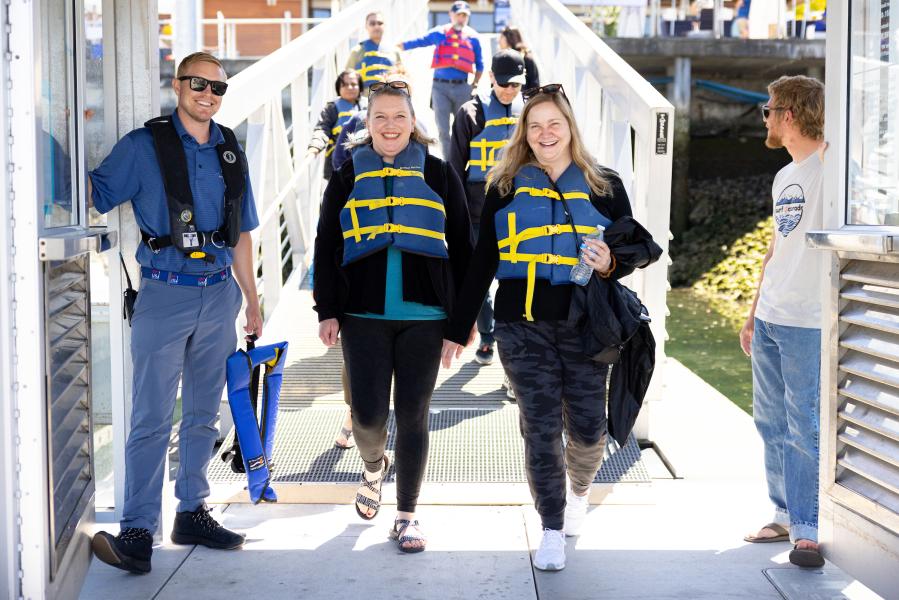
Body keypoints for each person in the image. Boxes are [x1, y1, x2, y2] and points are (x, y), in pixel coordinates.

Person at [444, 84, 638, 571]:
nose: (545, 133)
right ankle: (551, 527)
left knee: (590, 431)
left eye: (554, 124)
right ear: (524, 134)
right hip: (520, 326)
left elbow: (631, 251)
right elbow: (481, 262)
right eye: (535, 126)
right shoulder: (503, 186)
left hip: (587, 326)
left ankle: (580, 492)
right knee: (541, 428)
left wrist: (612, 260)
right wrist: (459, 326)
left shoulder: (605, 185)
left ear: (570, 128)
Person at [88, 51, 261, 574]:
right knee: (151, 417)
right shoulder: (144, 147)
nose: (208, 94)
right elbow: (93, 194)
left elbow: (243, 231)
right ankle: (138, 529)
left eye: (217, 88)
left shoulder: (230, 147)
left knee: (204, 414)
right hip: (163, 293)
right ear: (177, 84)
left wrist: (251, 299)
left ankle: (192, 510)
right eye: (198, 83)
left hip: (219, 293)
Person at [313, 80, 473, 553]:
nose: (389, 125)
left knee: (413, 413)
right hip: (362, 313)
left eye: (398, 116)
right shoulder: (345, 175)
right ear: (367, 121)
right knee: (366, 415)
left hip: (426, 316)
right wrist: (327, 309)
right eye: (380, 116)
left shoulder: (441, 174)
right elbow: (326, 244)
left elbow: (464, 249)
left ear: (413, 121)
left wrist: (460, 324)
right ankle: (372, 466)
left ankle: (407, 515)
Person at [740, 75, 826, 569]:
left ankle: (808, 530)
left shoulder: (830, 168)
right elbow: (776, 249)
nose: (766, 117)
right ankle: (783, 512)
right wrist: (752, 315)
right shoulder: (784, 175)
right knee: (769, 421)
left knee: (803, 425)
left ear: (789, 114)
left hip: (808, 321)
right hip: (772, 316)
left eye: (769, 109)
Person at [449, 49, 525, 367]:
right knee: (477, 279)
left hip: (520, 211)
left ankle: (513, 340)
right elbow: (454, 166)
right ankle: (488, 336)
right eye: (504, 83)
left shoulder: (531, 113)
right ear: (491, 77)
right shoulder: (470, 113)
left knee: (517, 278)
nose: (510, 90)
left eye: (516, 85)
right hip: (478, 210)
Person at [398, 0, 483, 159]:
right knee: (443, 130)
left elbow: (480, 65)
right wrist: (400, 46)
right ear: (451, 15)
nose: (461, 18)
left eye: (464, 15)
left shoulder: (473, 38)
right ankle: (448, 162)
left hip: (463, 88)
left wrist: (476, 84)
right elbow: (421, 41)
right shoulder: (440, 32)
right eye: (458, 15)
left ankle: (462, 161)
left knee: (462, 128)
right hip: (440, 88)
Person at [307, 70, 362, 181]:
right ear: (338, 88)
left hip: (363, 160)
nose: (350, 87)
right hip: (338, 163)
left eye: (354, 84)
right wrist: (315, 146)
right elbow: (322, 128)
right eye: (345, 85)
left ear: (360, 87)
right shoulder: (331, 108)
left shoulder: (370, 105)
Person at [345, 11, 402, 91]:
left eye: (380, 23)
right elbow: (347, 80)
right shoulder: (356, 51)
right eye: (372, 23)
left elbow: (402, 77)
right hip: (365, 100)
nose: (376, 26)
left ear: (384, 26)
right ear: (366, 27)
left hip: (390, 98)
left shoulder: (395, 51)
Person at [498, 27, 540, 91]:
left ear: (510, 39)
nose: (499, 41)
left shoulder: (526, 58)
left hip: (523, 98)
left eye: (501, 37)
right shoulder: (502, 58)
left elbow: (534, 85)